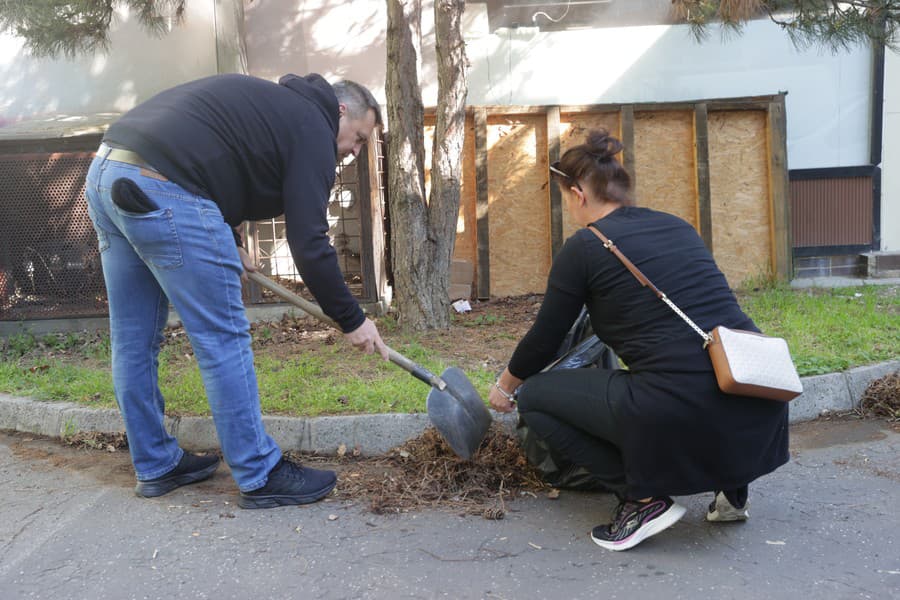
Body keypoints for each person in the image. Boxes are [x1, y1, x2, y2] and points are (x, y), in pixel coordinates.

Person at [84, 73, 390, 509]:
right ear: (340, 111)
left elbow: (218, 160)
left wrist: (231, 237)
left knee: (133, 340)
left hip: (107, 172)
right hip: (163, 186)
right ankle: (259, 471)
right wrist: (352, 319)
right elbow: (310, 241)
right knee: (222, 337)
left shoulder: (276, 107)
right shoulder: (313, 126)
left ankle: (155, 463)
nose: (353, 152)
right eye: (358, 138)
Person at [488, 129, 789, 551]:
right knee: (686, 378)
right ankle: (732, 488)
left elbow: (544, 339)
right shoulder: (677, 227)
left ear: (578, 194)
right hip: (754, 396)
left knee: (536, 397)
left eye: (565, 199)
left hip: (684, 406)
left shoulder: (586, 247)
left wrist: (505, 387)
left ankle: (642, 500)